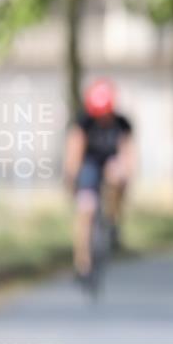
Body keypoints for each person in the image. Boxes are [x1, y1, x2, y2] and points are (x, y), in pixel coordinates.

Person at [63, 79, 135, 281]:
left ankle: (113, 221)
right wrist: (72, 180)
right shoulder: (83, 123)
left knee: (116, 174)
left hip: (110, 163)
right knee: (85, 209)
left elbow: (128, 154)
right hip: (89, 165)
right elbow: (74, 155)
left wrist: (125, 175)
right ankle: (82, 262)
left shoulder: (122, 124)